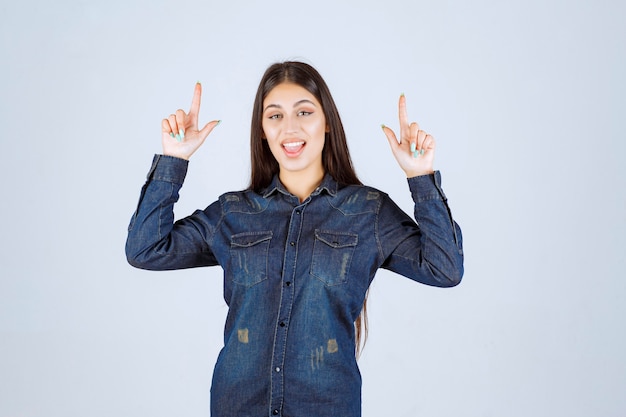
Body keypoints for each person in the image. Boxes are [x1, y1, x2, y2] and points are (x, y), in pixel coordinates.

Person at [126, 61, 463, 417]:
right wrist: (173, 160)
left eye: (304, 112)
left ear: (327, 121)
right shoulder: (233, 213)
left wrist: (420, 176)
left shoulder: (368, 212)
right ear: (262, 131)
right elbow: (145, 250)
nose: (290, 127)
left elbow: (445, 269)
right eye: (275, 116)